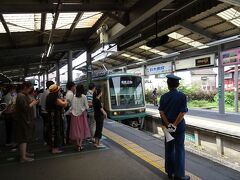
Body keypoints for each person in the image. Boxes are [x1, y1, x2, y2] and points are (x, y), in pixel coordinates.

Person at [158, 74, 189, 180]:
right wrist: (175, 125)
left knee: (169, 149)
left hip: (167, 128)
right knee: (179, 149)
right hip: (178, 128)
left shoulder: (163, 97)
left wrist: (168, 124)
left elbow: (161, 112)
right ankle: (179, 175)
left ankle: (169, 172)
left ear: (168, 85)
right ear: (178, 84)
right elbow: (182, 113)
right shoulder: (182, 96)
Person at [15, 82, 39, 163]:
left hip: (24, 120)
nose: (30, 90)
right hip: (23, 120)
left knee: (24, 137)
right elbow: (24, 108)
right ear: (25, 87)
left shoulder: (22, 95)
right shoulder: (21, 96)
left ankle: (24, 153)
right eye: (29, 88)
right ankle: (23, 157)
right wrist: (32, 103)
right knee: (23, 138)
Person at [46, 84, 68, 154]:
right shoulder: (55, 98)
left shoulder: (49, 97)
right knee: (56, 132)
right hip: (55, 117)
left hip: (50, 116)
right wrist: (65, 100)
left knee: (50, 131)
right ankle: (55, 149)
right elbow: (64, 104)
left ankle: (50, 147)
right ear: (56, 91)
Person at [69, 84, 90, 151]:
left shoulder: (73, 97)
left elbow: (71, 107)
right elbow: (87, 107)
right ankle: (80, 145)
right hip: (82, 115)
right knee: (82, 129)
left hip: (74, 116)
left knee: (76, 130)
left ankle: (77, 144)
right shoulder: (84, 96)